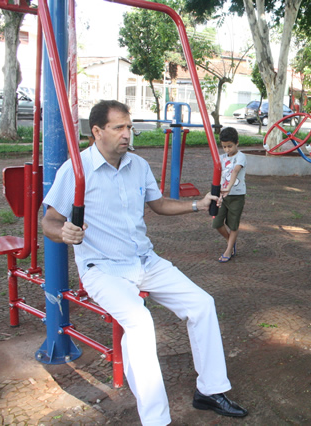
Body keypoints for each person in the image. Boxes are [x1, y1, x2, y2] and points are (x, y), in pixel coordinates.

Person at [41, 100, 248, 425]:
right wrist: (63, 232)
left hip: (144, 261)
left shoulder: (137, 165)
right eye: (119, 128)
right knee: (139, 323)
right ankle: (156, 420)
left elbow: (159, 204)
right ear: (97, 132)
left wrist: (197, 205)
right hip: (102, 268)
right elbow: (49, 221)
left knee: (202, 304)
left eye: (129, 127)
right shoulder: (77, 170)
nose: (127, 134)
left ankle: (210, 390)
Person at [213, 127, 246, 263]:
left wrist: (228, 187)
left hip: (236, 196)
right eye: (224, 147)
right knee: (217, 223)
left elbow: (235, 172)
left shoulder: (241, 157)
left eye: (230, 146)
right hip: (222, 195)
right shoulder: (221, 158)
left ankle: (228, 250)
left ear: (237, 143)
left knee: (233, 225)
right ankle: (230, 242)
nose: (227, 150)